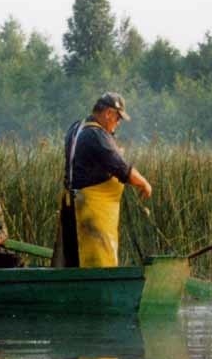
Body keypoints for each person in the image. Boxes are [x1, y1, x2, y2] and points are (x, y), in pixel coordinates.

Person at [54, 92, 152, 268]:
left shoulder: (76, 128)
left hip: (72, 205)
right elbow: (121, 168)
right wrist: (144, 183)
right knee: (97, 263)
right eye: (118, 117)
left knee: (74, 261)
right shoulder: (95, 135)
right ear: (108, 113)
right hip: (91, 209)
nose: (118, 123)